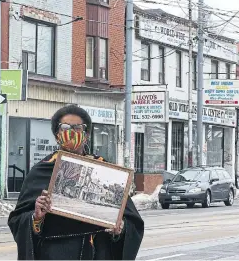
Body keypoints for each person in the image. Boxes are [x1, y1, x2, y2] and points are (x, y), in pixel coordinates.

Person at [8, 105, 144, 260]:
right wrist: (36, 217)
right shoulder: (41, 171)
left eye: (78, 128)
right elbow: (17, 221)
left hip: (98, 253)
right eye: (65, 127)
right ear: (56, 134)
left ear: (86, 135)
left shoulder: (104, 170)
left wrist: (121, 228)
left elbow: (133, 223)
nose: (71, 133)